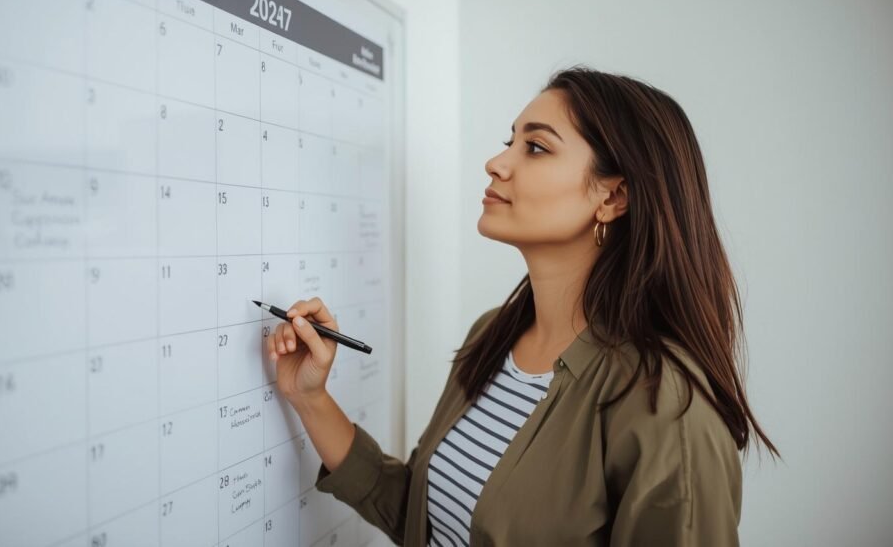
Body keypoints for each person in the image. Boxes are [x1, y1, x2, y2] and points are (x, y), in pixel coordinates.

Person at [266, 65, 781, 546]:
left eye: (535, 147)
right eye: (509, 141)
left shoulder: (665, 401)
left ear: (612, 197)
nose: (497, 163)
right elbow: (423, 518)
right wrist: (311, 397)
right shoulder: (492, 335)